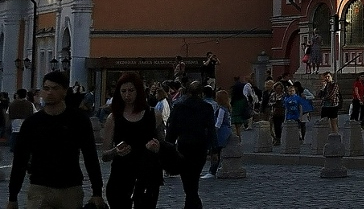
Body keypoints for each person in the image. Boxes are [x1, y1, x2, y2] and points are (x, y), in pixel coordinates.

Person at [8, 70, 104, 209]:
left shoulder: (78, 120)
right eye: (46, 88)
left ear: (64, 91)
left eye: (55, 88)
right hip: (39, 187)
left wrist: (97, 192)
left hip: (70, 187)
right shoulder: (32, 123)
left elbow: (90, 156)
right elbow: (20, 161)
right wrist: (12, 197)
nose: (49, 92)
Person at [101, 72, 162, 208]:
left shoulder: (154, 115)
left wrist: (156, 148)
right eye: (123, 91)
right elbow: (104, 155)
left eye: (131, 90)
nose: (127, 95)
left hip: (146, 176)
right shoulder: (113, 118)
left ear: (138, 91)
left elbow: (164, 146)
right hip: (120, 177)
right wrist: (116, 151)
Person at [166, 82, 215, 209]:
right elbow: (211, 129)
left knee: (187, 177)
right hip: (200, 146)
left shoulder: (179, 107)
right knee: (194, 176)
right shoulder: (206, 107)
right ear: (201, 93)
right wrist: (214, 148)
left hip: (184, 145)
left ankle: (192, 203)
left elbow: (172, 129)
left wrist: (168, 145)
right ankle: (194, 203)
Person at [203, 90, 232, 179]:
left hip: (221, 132)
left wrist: (212, 132)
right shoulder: (226, 108)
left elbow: (218, 123)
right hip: (226, 131)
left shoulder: (221, 109)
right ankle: (214, 169)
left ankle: (212, 171)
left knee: (215, 151)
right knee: (217, 151)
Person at [6, 89, 34, 155]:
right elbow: (35, 114)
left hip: (15, 128)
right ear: (26, 95)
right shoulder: (30, 104)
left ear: (18, 95)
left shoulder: (12, 104)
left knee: (15, 148)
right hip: (27, 128)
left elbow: (7, 114)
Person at [267, 81, 285, 146]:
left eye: (279, 88)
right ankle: (277, 139)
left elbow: (286, 103)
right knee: (276, 126)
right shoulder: (273, 95)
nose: (278, 90)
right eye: (277, 88)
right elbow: (269, 103)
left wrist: (281, 104)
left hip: (282, 112)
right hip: (274, 112)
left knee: (282, 126)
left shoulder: (284, 95)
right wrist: (274, 104)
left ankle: (281, 138)